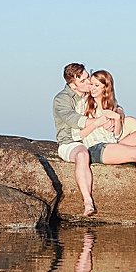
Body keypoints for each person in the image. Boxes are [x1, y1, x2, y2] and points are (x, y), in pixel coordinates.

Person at [74, 70, 136, 217]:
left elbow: (116, 134)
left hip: (112, 143)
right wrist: (98, 123)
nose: (93, 88)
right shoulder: (83, 104)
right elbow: (79, 134)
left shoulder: (112, 103)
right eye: (92, 85)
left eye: (97, 85)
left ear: (106, 87)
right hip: (96, 148)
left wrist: (116, 117)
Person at [52, 63, 119, 216]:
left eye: (87, 77)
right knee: (82, 155)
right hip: (71, 142)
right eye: (83, 81)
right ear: (72, 85)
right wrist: (99, 121)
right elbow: (74, 120)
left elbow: (112, 103)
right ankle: (88, 202)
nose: (88, 82)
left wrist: (117, 114)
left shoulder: (91, 91)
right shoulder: (61, 99)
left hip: (94, 139)